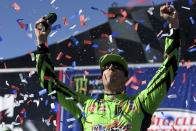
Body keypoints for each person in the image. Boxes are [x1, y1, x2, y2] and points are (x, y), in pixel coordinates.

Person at [35, 4, 180, 131]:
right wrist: (41, 42)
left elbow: (168, 69)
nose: (110, 67)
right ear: (101, 77)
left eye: (116, 66)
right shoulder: (85, 105)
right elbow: (49, 83)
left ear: (125, 78)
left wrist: (173, 26)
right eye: (105, 66)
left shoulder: (140, 103)